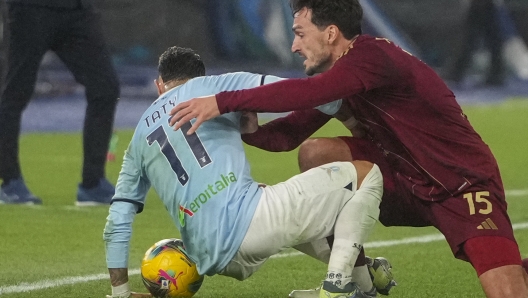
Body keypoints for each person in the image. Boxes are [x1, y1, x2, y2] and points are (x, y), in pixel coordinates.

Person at [167, 0, 528, 297]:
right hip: (401, 179)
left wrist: (222, 100)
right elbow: (288, 136)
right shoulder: (343, 77)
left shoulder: (371, 58)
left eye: (299, 34)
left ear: (330, 33)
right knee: (316, 154)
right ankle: (355, 282)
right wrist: (251, 131)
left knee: (508, 290)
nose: (294, 46)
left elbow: (304, 93)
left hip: (461, 185)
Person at [103, 46, 385, 298]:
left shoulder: (138, 138)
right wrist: (347, 116)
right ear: (200, 77)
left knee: (287, 205)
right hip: (252, 226)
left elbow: (117, 219)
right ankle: (337, 287)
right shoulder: (216, 86)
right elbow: (298, 92)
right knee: (366, 174)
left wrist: (121, 293)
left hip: (213, 260)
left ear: (159, 86)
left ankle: (366, 282)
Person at [0, 0, 119, 205]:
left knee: (105, 88)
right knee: (15, 93)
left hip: (77, 10)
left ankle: (93, 183)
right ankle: (9, 182)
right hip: (29, 8)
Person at [447, 0, 505, 86]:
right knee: (469, 41)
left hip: (486, 5)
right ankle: (455, 73)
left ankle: (496, 75)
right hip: (478, 5)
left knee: (491, 41)